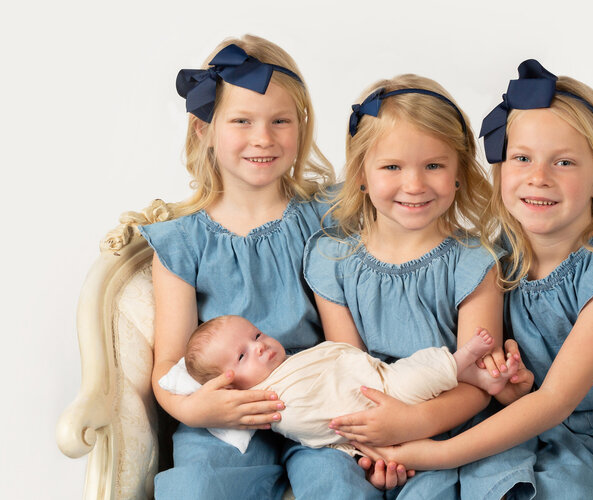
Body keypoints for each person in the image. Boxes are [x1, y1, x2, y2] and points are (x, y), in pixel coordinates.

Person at [350, 60, 593, 500]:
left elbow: (557, 397)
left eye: (563, 162)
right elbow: (536, 399)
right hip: (560, 435)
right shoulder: (496, 256)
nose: (538, 178)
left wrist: (434, 455)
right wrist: (515, 389)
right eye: (522, 158)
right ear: (501, 169)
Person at [302, 74, 536, 498]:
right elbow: (350, 372)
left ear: (459, 172)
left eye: (433, 165)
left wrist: (413, 428)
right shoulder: (331, 260)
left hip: (447, 425)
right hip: (369, 422)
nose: (414, 185)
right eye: (392, 167)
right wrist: (374, 451)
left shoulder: (474, 263)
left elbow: (476, 384)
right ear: (361, 174)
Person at [138, 35, 336, 500]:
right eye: (241, 121)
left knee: (336, 483)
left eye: (280, 121)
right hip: (228, 414)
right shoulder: (182, 244)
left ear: (301, 126)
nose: (263, 138)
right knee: (197, 486)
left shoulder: (326, 216)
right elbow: (168, 366)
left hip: (318, 396)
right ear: (204, 129)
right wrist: (196, 412)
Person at [170, 315, 517, 453]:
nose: (259, 346)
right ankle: (464, 360)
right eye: (243, 357)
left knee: (414, 369)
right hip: (376, 403)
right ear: (231, 389)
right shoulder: (272, 403)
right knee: (413, 380)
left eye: (256, 335)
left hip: (379, 377)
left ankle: (471, 373)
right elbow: (318, 422)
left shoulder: (292, 361)